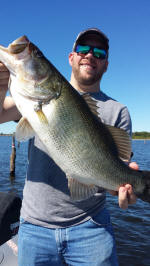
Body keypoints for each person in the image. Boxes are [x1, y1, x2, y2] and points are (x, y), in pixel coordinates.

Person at [0, 28, 138, 266]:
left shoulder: (119, 111)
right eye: (83, 49)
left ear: (106, 64)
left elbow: (119, 168)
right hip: (34, 226)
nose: (90, 55)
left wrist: (127, 186)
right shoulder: (32, 98)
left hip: (91, 227)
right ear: (71, 57)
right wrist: (2, 86)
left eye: (99, 52)